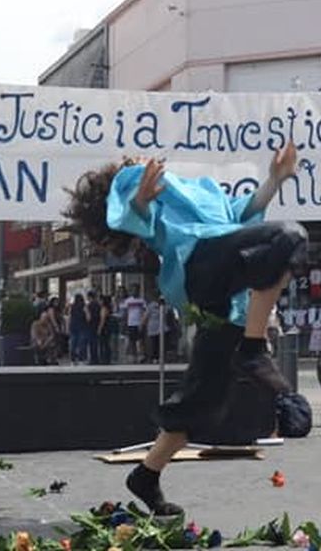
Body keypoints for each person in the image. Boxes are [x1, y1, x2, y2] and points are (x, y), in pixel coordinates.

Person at [63, 146, 305, 517]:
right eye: (131, 160)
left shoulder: (201, 189)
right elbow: (129, 217)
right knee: (288, 236)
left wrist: (275, 179)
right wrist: (140, 202)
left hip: (222, 295)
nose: (142, 158)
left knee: (202, 398)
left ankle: (146, 474)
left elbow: (241, 213)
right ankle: (254, 349)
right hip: (198, 266)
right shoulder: (140, 186)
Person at [121, 288, 147, 361]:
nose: (134, 292)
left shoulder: (142, 301)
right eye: (132, 290)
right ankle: (133, 356)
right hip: (131, 323)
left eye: (136, 290)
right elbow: (125, 313)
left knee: (140, 340)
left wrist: (143, 322)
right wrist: (125, 323)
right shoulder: (128, 301)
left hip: (139, 323)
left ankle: (141, 355)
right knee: (132, 341)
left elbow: (145, 312)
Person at [69, 294, 90, 364]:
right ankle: (82, 359)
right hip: (82, 327)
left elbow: (69, 317)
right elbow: (88, 318)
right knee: (82, 344)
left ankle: (73, 359)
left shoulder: (72, 307)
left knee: (73, 344)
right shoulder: (84, 307)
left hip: (73, 327)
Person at [97, 294, 117, 365]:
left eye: (100, 300)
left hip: (104, 329)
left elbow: (102, 319)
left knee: (103, 344)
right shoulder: (109, 308)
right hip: (108, 328)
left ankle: (104, 359)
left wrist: (99, 329)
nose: (99, 302)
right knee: (106, 344)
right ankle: (107, 358)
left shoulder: (104, 309)